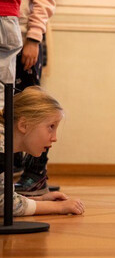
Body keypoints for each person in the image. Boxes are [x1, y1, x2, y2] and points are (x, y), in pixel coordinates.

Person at [14, 0, 58, 195]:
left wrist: (33, 37)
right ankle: (14, 167)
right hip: (6, 32)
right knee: (7, 108)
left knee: (32, 109)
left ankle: (37, 173)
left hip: (22, 36)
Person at [0, 86, 85, 216]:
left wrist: (40, 200)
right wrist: (58, 207)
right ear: (23, 125)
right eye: (51, 127)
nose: (55, 138)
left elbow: (4, 197)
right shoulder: (2, 147)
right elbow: (4, 205)